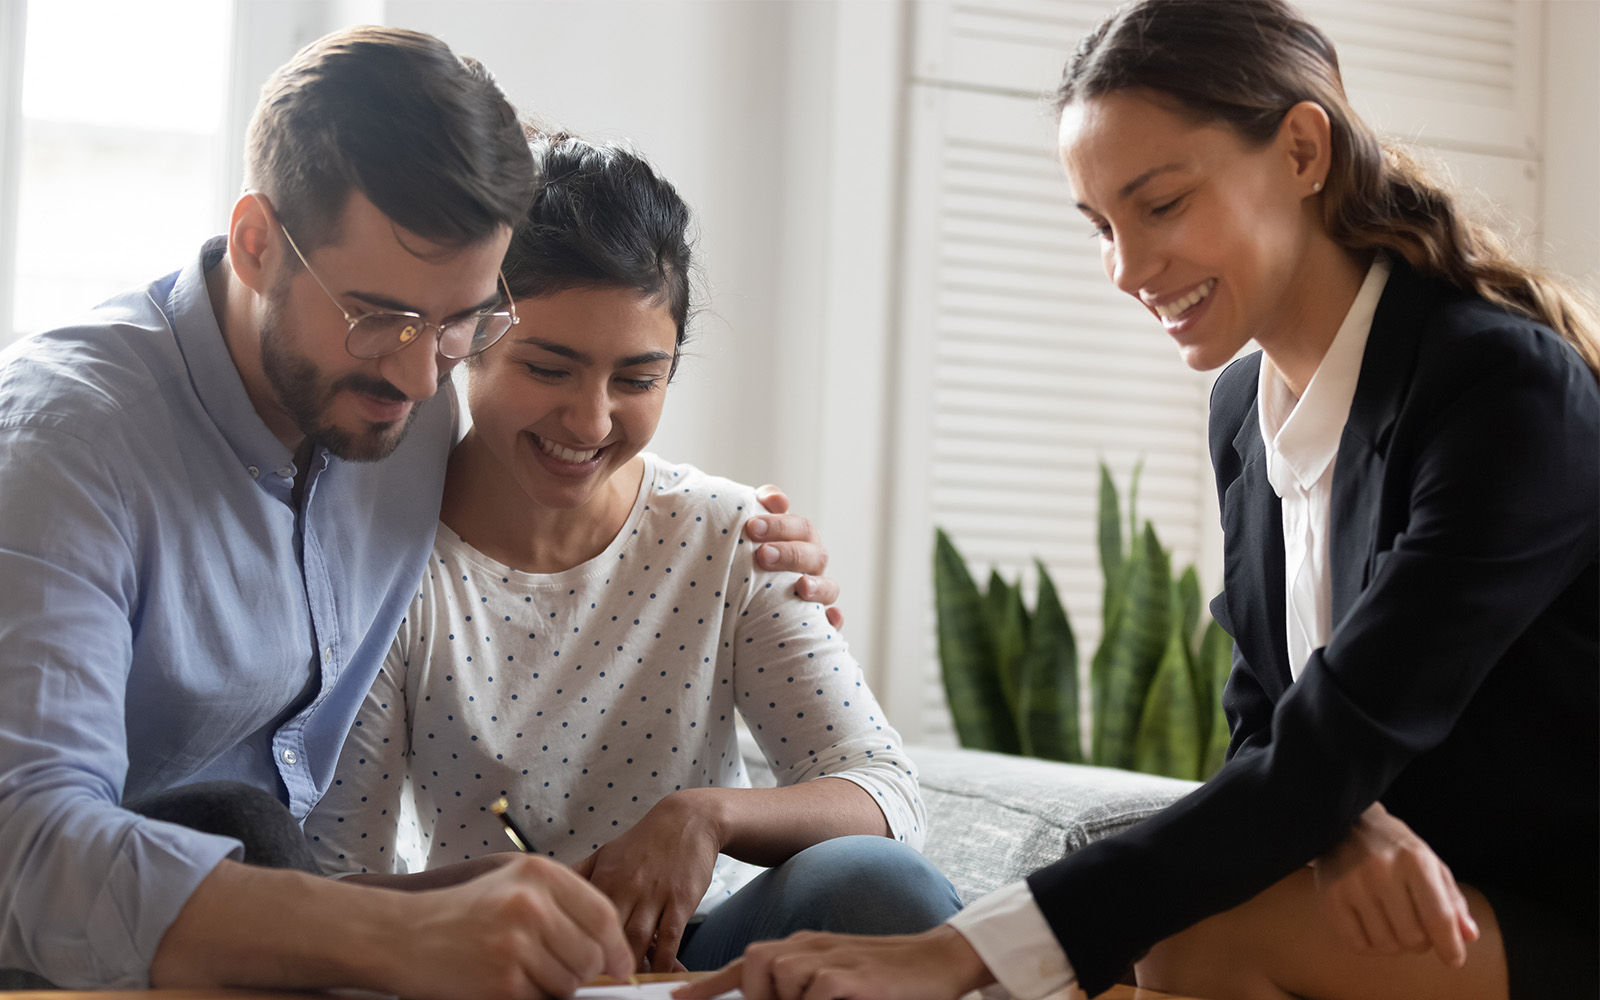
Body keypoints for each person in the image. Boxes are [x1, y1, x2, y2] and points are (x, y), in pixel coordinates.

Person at [680, 2, 1600, 999]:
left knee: (1185, 941)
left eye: (1159, 206)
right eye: (1101, 226)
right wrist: (1341, 826)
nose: (1125, 269)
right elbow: (1268, 720)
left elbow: (1349, 724)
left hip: (1558, 904)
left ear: (1300, 150)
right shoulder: (1244, 414)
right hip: (1419, 896)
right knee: (1143, 944)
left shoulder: (1501, 389)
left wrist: (950, 952)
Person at [0, 27, 829, 998]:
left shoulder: (410, 388)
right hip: (67, 963)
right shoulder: (64, 444)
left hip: (287, 913)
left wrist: (751, 537)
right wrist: (384, 931)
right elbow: (24, 844)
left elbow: (572, 471)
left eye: (462, 321)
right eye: (379, 314)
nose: (417, 370)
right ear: (258, 242)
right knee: (236, 820)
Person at [304, 131, 961, 976]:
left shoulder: (730, 537)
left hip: (693, 967)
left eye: (637, 380)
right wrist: (502, 892)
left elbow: (884, 791)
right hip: (483, 963)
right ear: (468, 337)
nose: (590, 422)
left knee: (877, 884)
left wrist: (704, 817)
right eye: (549, 368)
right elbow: (332, 882)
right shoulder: (388, 566)